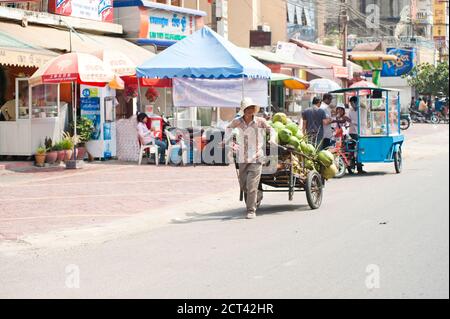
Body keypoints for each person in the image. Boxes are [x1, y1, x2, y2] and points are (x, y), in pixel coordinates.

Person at [227, 97, 275, 220]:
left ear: (254, 109)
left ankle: (251, 210)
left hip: (257, 157)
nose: (250, 110)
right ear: (243, 110)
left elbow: (271, 129)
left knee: (251, 185)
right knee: (243, 186)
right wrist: (227, 141)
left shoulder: (260, 121)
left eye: (252, 108)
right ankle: (258, 195)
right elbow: (228, 128)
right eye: (247, 108)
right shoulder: (237, 121)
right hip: (243, 157)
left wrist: (272, 138)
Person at [348, 96, 367, 174]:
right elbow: (349, 121)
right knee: (350, 148)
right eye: (351, 103)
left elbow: (360, 121)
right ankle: (351, 163)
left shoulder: (362, 110)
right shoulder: (351, 111)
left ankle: (359, 167)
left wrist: (351, 121)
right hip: (352, 132)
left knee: (359, 149)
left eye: (353, 103)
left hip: (360, 132)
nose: (352, 105)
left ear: (356, 102)